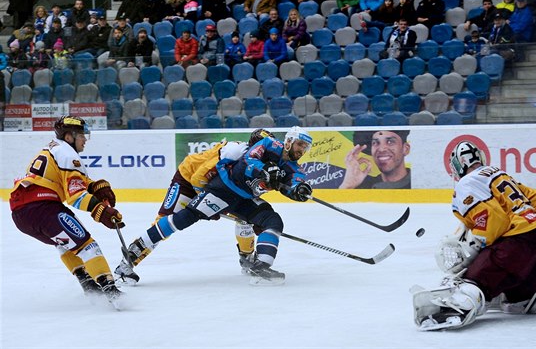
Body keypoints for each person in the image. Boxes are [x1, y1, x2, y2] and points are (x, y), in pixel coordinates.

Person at [411, 141, 536, 330]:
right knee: (517, 297)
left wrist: (477, 247)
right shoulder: (498, 174)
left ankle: (455, 307)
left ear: (458, 165)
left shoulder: (466, 183)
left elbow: (492, 219)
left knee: (474, 280)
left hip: (514, 248)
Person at [117, 127, 313, 285]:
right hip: (189, 179)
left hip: (227, 191)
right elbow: (199, 178)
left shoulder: (277, 164)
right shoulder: (236, 151)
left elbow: (293, 179)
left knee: (245, 221)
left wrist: (297, 190)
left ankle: (249, 260)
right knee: (170, 221)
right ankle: (129, 260)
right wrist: (209, 203)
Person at [9, 116, 126, 306]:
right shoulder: (68, 154)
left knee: (65, 242)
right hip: (42, 209)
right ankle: (112, 292)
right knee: (87, 245)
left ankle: (88, 283)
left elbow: (67, 181)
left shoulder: (53, 148)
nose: (85, 140)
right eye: (82, 135)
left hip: (21, 214)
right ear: (70, 137)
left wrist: (95, 186)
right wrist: (101, 211)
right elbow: (76, 196)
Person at [339, 130, 410, 189]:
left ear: (405, 149)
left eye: (390, 142)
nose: (381, 149)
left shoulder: (417, 182)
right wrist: (348, 185)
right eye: (375, 143)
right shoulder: (363, 186)